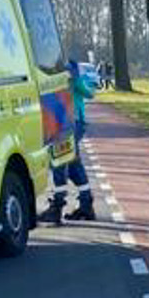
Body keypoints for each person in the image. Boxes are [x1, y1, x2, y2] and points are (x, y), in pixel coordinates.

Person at [43, 57, 97, 224]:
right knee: (73, 164)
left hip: (70, 124)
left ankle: (57, 206)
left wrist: (75, 80)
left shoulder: (72, 79)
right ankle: (86, 205)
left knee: (59, 162)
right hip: (69, 123)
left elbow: (89, 93)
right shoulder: (60, 78)